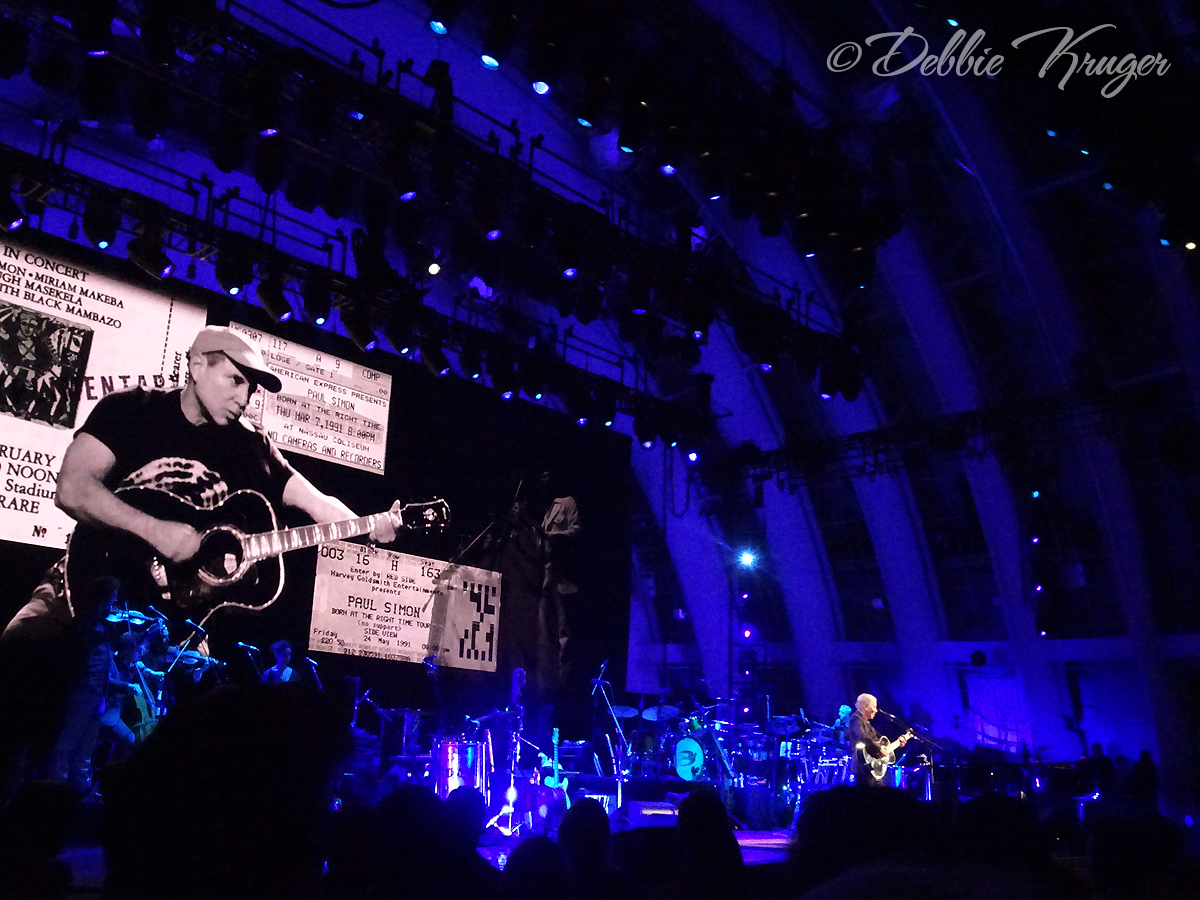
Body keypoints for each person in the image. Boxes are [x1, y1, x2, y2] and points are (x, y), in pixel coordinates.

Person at [0, 325, 400, 794]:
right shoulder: (132, 410)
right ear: (196, 365)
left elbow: (315, 501)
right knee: (15, 668)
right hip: (84, 590)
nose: (244, 398)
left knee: (197, 741)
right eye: (236, 380)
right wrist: (155, 531)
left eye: (252, 389)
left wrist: (368, 525)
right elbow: (72, 487)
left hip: (173, 626)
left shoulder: (251, 444)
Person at [846, 693, 907, 786]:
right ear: (866, 707)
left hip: (872, 771)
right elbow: (862, 737)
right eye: (874, 707)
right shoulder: (855, 720)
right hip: (864, 769)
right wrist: (879, 749)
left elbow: (881, 742)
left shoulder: (866, 723)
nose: (876, 710)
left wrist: (899, 742)